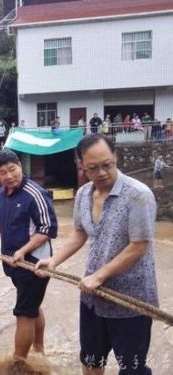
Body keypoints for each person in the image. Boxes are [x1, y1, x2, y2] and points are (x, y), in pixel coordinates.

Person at [36, 134, 158, 375]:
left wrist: (100, 276)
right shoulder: (83, 194)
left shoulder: (138, 195)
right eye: (93, 168)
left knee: (132, 368)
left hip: (130, 300)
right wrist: (54, 260)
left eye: (107, 165)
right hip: (93, 297)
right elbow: (79, 233)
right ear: (81, 165)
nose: (101, 172)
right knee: (91, 360)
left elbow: (139, 246)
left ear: (115, 157)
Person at [0, 149, 57, 359]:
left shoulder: (35, 194)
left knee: (24, 313)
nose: (8, 176)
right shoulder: (1, 195)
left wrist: (24, 251)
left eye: (12, 170)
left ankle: (19, 363)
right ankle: (39, 349)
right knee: (32, 306)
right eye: (3, 172)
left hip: (34, 264)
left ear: (20, 166)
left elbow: (47, 230)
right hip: (13, 263)